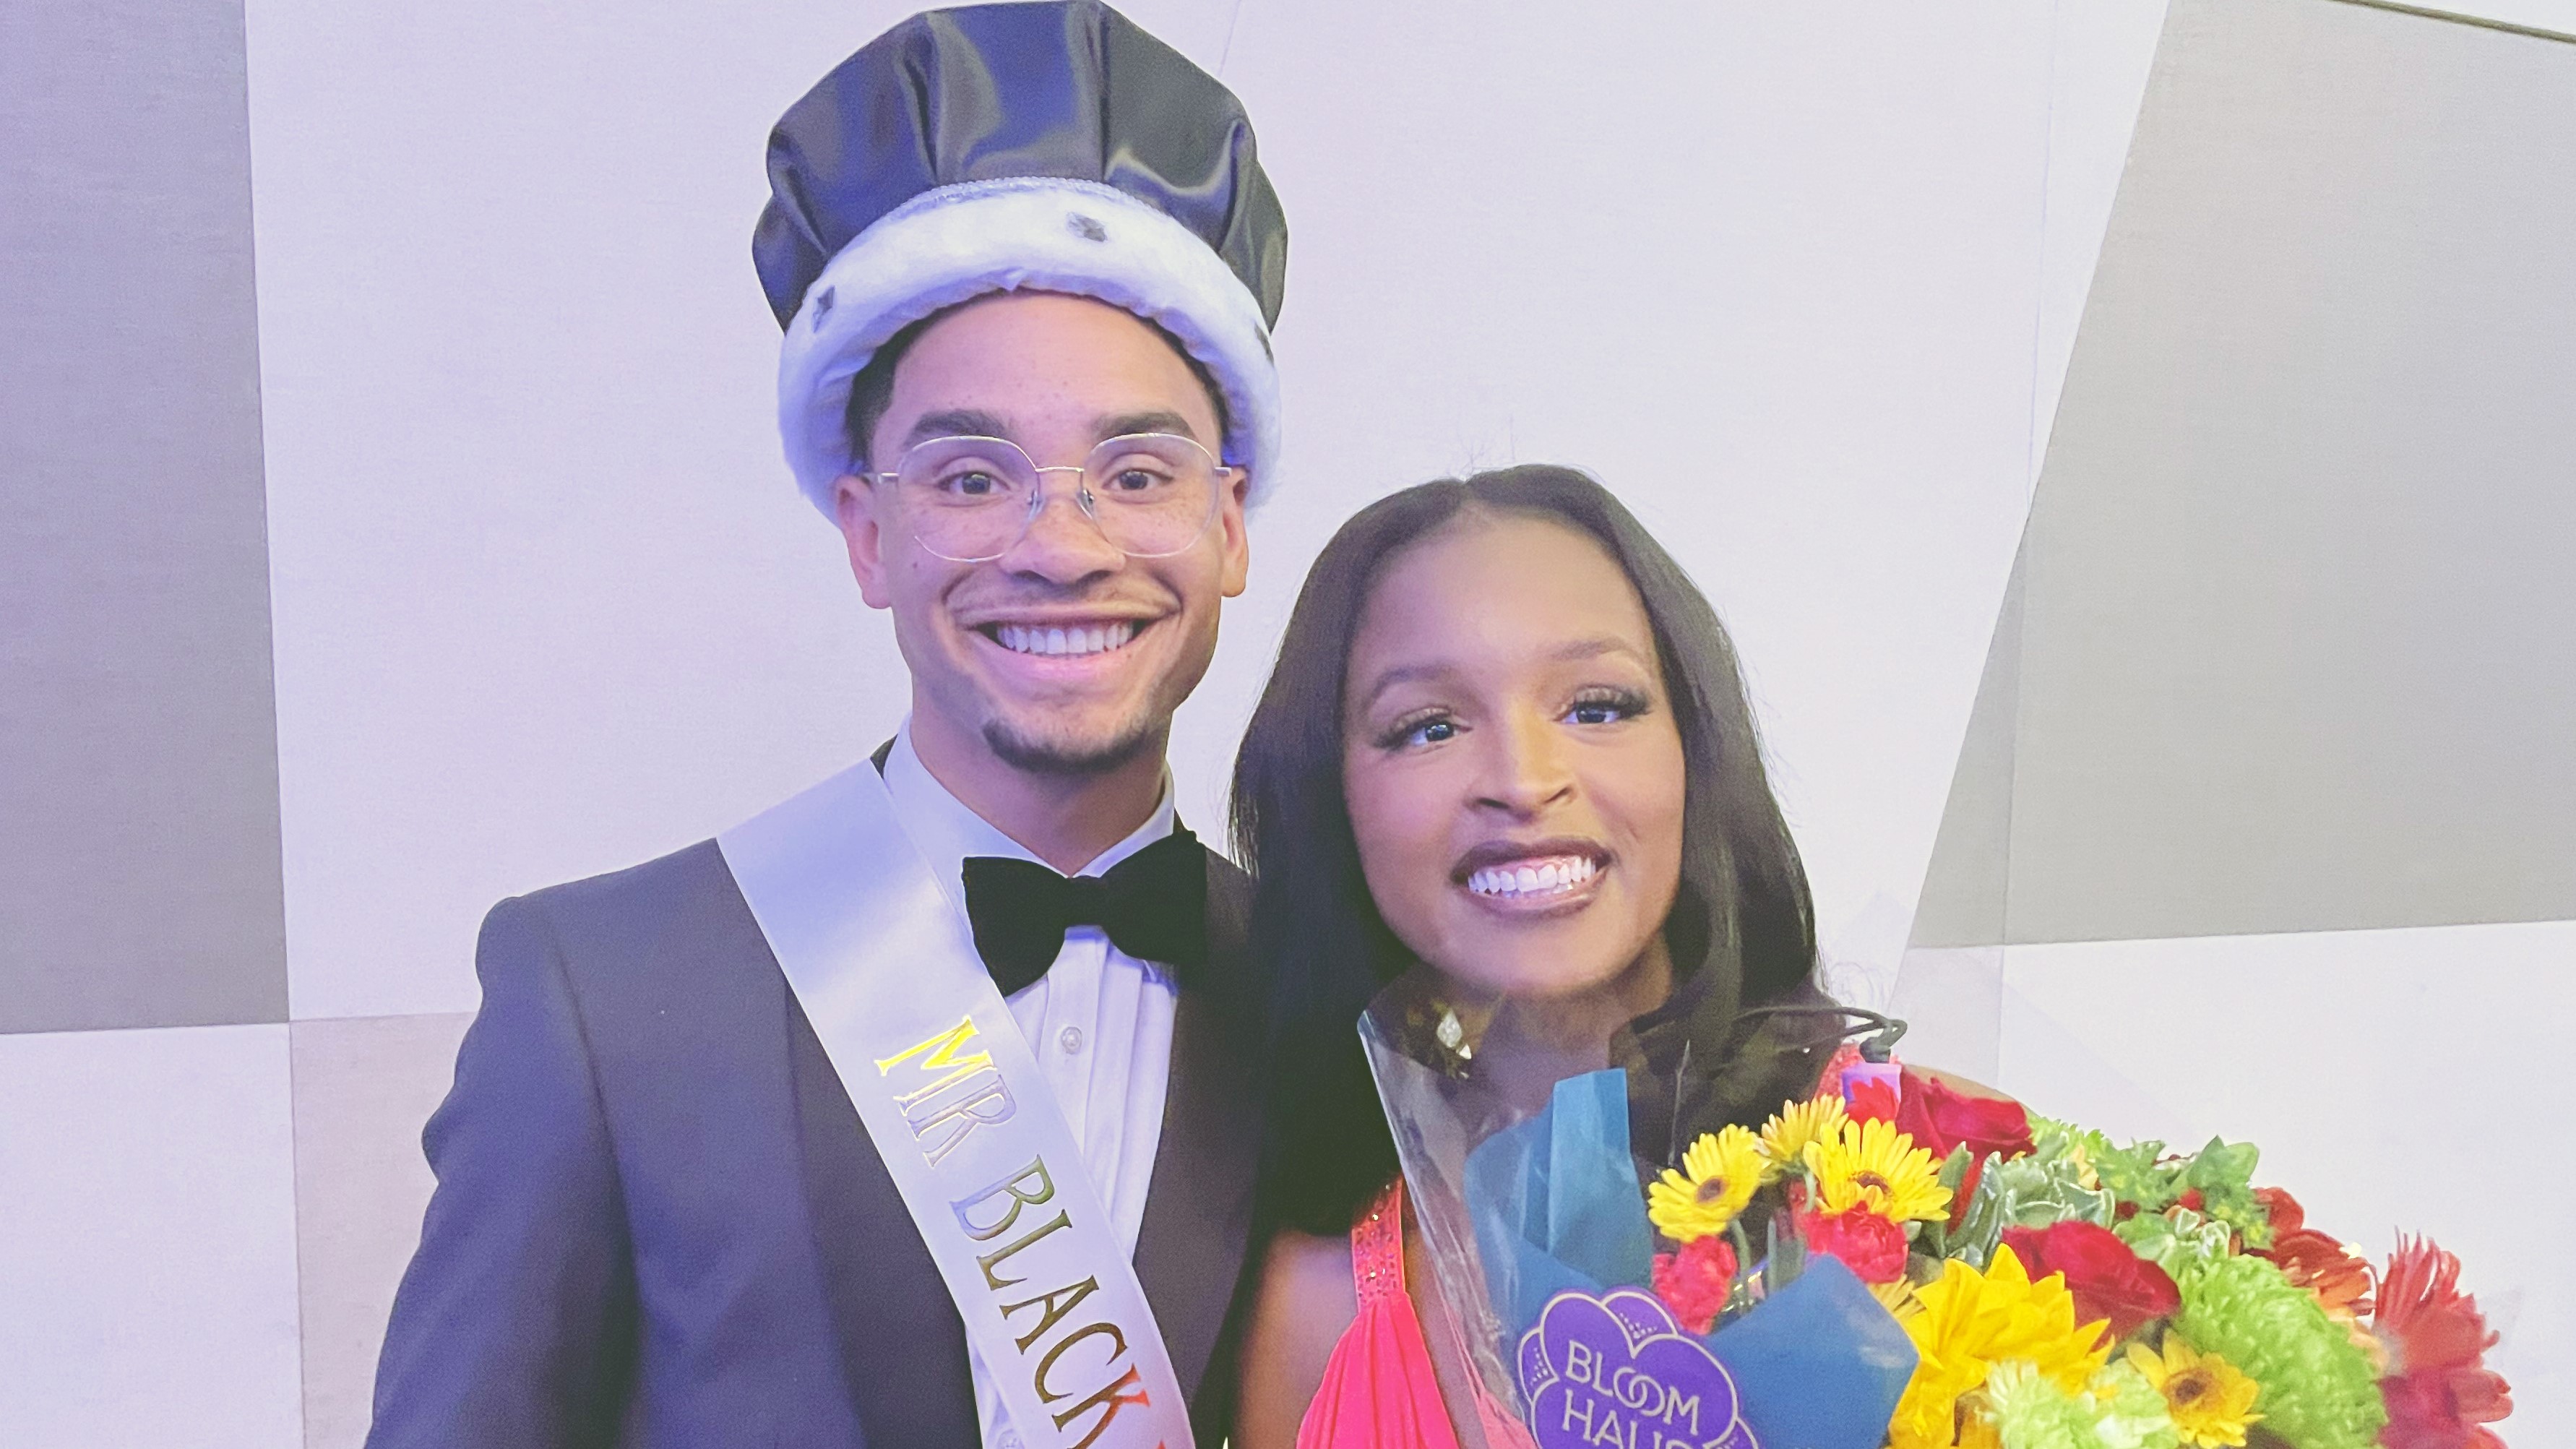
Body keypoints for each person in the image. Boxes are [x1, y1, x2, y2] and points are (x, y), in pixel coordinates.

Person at [366, 4, 1288, 1446]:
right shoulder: (601, 994)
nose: (1062, 544)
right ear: (866, 533)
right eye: (972, 477)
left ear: (1227, 524)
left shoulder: (1335, 1002)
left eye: (1136, 469)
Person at [1225, 467, 1846, 1449]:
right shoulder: (1316, 1301)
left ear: (1693, 743)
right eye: (1427, 726)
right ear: (1331, 799)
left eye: (1596, 706)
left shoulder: (1922, 1172)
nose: (1522, 780)